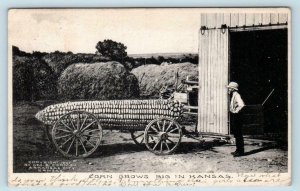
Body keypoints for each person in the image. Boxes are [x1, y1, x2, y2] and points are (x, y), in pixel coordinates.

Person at [227, 82, 245, 157]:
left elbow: (242, 105)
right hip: (235, 115)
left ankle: (240, 151)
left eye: (230, 88)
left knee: (238, 134)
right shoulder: (233, 95)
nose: (229, 89)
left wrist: (236, 111)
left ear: (233, 88)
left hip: (237, 116)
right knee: (236, 133)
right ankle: (238, 150)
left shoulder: (237, 95)